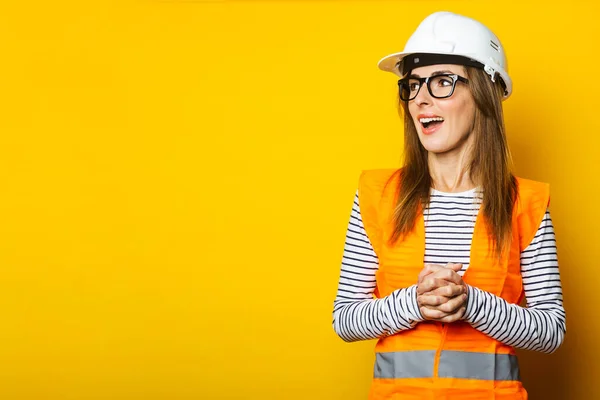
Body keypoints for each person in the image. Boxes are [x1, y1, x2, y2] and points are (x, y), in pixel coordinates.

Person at [332, 11, 566, 400]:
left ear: (483, 94)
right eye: (413, 85)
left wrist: (471, 303)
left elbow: (550, 331)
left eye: (443, 82)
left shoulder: (526, 203)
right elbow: (345, 320)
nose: (421, 99)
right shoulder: (377, 194)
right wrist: (415, 302)